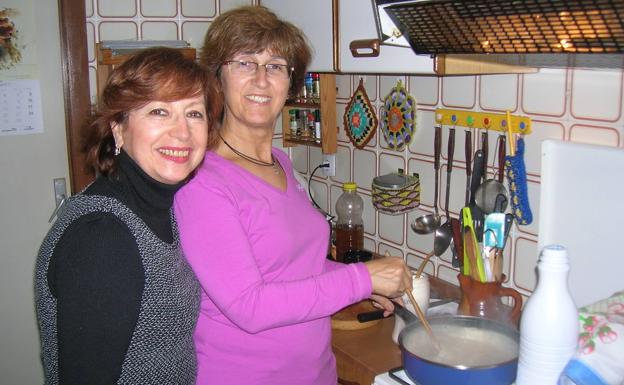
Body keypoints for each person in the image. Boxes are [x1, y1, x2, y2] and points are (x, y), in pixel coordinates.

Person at [173, 6, 413, 385]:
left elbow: (298, 270)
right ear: (217, 79)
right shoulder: (203, 183)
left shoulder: (281, 163)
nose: (261, 79)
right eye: (245, 63)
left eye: (275, 66)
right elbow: (249, 305)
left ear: (291, 83)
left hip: (313, 373)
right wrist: (363, 279)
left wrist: (360, 286)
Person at [34, 47, 221, 385]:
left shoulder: (162, 206)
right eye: (160, 112)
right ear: (118, 129)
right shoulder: (102, 238)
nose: (182, 133)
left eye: (194, 114)